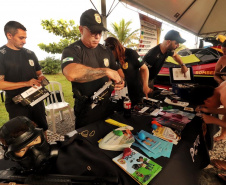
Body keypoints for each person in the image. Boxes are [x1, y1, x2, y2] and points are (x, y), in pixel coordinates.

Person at [0, 116, 132, 185]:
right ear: (11, 155)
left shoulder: (76, 149)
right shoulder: (7, 171)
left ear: (43, 136)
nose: (35, 152)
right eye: (23, 149)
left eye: (35, 141)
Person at [61, 9, 124, 129]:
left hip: (108, 104)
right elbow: (71, 74)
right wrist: (105, 71)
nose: (98, 36)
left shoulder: (105, 51)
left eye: (100, 32)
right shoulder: (72, 50)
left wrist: (120, 81)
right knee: (86, 143)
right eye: (93, 32)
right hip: (87, 109)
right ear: (81, 29)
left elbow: (119, 72)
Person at [0, 21, 48, 132]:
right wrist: (26, 83)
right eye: (21, 38)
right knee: (22, 134)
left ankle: (44, 149)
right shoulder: (2, 55)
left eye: (25, 38)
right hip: (17, 105)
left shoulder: (30, 53)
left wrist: (41, 78)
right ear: (9, 35)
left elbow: (39, 73)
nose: (25, 41)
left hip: (36, 100)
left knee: (42, 129)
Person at [104, 37, 152, 105]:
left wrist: (145, 85)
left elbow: (144, 68)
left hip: (136, 92)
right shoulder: (112, 60)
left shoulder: (132, 54)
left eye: (111, 53)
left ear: (116, 48)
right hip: (121, 95)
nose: (110, 56)